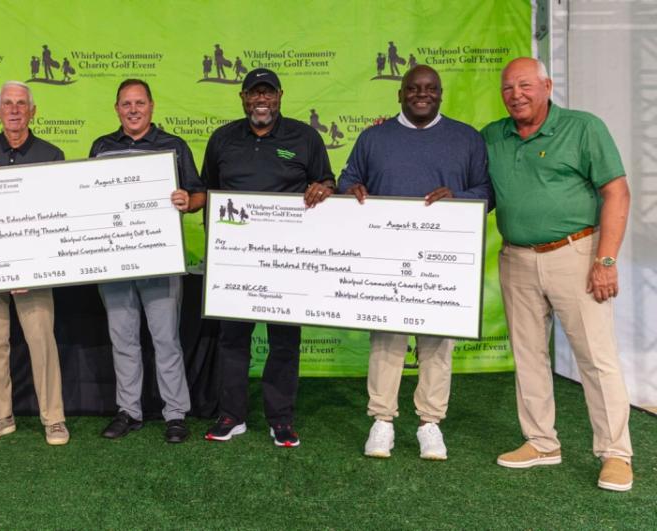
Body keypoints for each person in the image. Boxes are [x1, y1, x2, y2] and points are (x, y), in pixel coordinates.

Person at [484, 57, 633, 492]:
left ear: (547, 85)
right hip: (516, 258)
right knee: (529, 355)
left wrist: (605, 260)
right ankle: (541, 442)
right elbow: (472, 187)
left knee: (596, 358)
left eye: (526, 85)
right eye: (508, 88)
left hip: (577, 254)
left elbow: (616, 192)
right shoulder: (493, 135)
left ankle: (616, 454)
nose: (517, 95)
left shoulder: (584, 127)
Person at [332, 65, 491, 460]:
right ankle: (382, 421)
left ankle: (430, 424)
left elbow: (487, 192)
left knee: (437, 343)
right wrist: (351, 189)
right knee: (386, 342)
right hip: (387, 259)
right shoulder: (374, 137)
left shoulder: (467, 139)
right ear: (399, 94)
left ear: (441, 93)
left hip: (442, 262)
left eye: (431, 89)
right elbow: (345, 180)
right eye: (414, 89)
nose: (423, 94)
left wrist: (459, 199)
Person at [200, 68, 335, 446]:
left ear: (279, 96)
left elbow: (327, 181)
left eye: (268, 93)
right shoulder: (222, 139)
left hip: (286, 262)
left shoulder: (304, 137)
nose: (261, 100)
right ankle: (232, 415)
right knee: (232, 340)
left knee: (285, 341)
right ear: (242, 97)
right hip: (234, 261)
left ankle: (281, 419)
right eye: (254, 93)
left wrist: (322, 189)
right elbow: (208, 191)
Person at [88, 79, 204, 443]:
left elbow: (199, 194)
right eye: (126, 103)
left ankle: (175, 414)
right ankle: (129, 411)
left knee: (166, 338)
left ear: (152, 106)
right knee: (122, 338)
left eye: (140, 103)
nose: (133, 109)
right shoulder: (101, 148)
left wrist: (189, 200)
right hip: (115, 260)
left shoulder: (173, 146)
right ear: (116, 108)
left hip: (160, 259)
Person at [0, 81, 68, 445]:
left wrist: (34, 267)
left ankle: (54, 419)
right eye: (7, 103)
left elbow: (59, 215)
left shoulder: (52, 154)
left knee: (42, 343)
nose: (14, 109)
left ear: (33, 111)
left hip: (35, 271)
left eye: (21, 103)